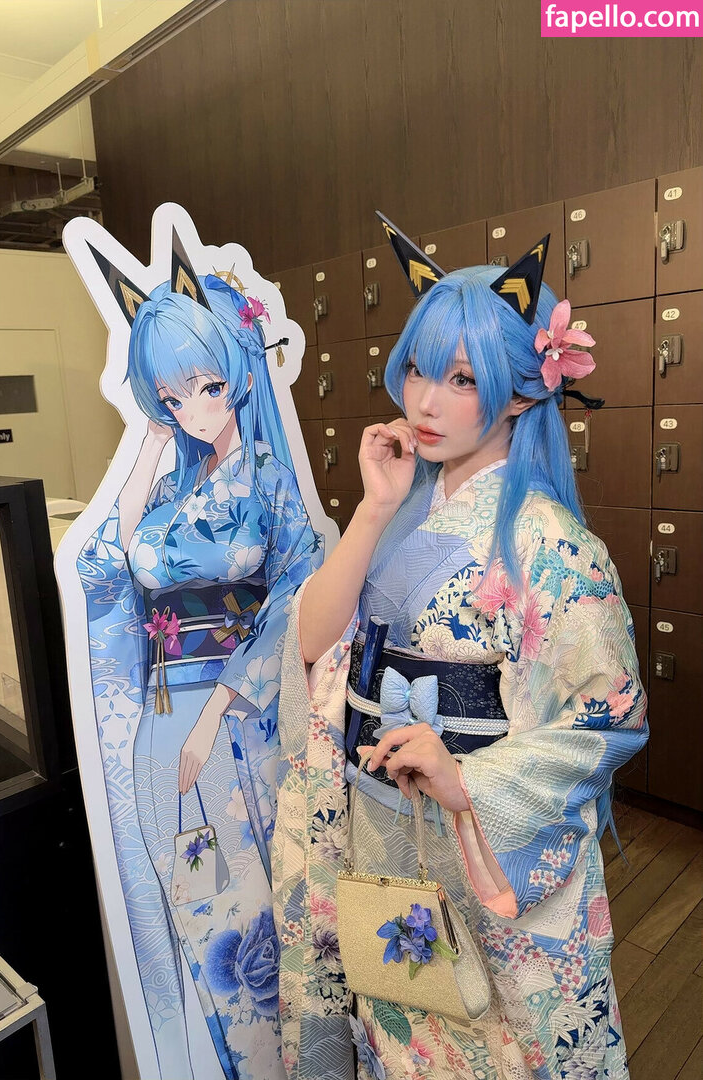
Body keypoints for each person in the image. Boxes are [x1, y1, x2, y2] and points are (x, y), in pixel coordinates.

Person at [273, 219, 648, 1080]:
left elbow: (607, 719)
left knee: (484, 1046)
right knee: (392, 1026)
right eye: (417, 369)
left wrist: (467, 781)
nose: (425, 402)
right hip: (376, 826)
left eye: (462, 379)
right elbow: (314, 643)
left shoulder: (553, 546)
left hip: (471, 837)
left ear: (520, 394)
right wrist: (373, 508)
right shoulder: (401, 508)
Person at [77, 232, 322, 1080]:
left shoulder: (266, 477)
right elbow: (107, 565)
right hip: (163, 721)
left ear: (238, 375)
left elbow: (297, 592)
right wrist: (149, 441)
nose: (196, 407)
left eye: (209, 385)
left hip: (236, 721)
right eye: (174, 395)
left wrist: (218, 710)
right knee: (200, 907)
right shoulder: (168, 485)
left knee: (257, 914)